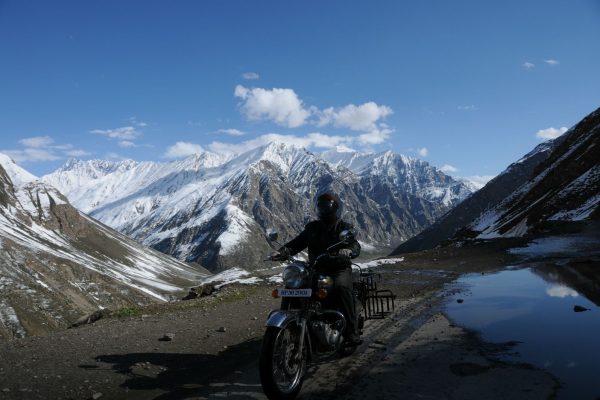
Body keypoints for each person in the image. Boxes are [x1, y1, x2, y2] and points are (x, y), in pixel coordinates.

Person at [275, 192, 362, 345]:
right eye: (321, 206)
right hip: (316, 269)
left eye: (327, 206)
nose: (324, 210)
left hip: (339, 269)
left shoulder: (344, 227)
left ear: (336, 208)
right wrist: (283, 251)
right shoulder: (312, 228)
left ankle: (351, 332)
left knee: (342, 288)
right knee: (294, 286)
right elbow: (297, 243)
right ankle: (292, 324)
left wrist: (349, 250)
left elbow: (354, 244)